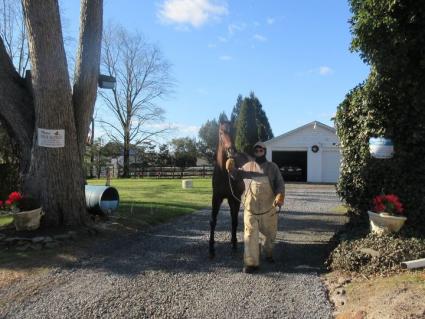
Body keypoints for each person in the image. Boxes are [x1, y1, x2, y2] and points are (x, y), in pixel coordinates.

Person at [226, 141, 285, 273]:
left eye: (261, 150)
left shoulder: (272, 167)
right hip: (250, 208)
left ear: (264, 151)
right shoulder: (247, 166)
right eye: (256, 150)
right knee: (250, 234)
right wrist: (230, 169)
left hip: (269, 208)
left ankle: (268, 253)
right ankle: (251, 263)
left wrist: (280, 196)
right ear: (254, 152)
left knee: (270, 235)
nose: (259, 152)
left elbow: (280, 183)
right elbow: (236, 175)